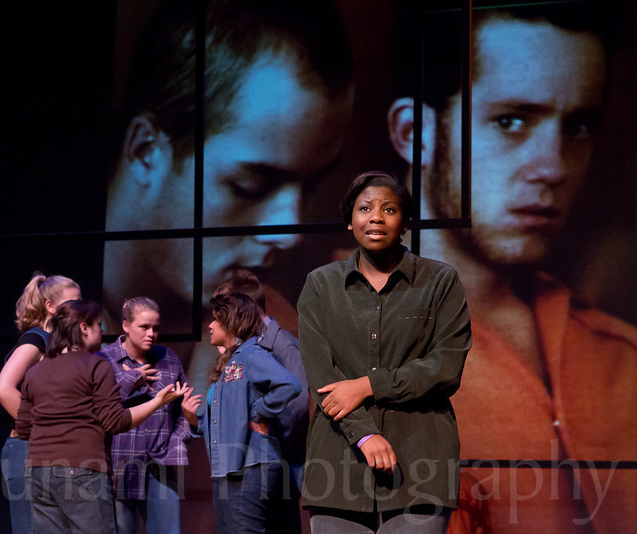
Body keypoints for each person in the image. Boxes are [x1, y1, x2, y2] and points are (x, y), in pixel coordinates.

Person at [386, 2, 637, 532]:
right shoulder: (319, 348)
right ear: (415, 134)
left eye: (579, 127)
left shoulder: (624, 359)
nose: (552, 166)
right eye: (512, 120)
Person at [102, 0, 354, 337]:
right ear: (145, 150)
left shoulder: (287, 338)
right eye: (250, 185)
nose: (290, 231)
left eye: (311, 185)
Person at [297, 172, 472, 533]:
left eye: (388, 209)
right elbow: (321, 376)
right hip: (338, 463)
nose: (376, 217)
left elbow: (445, 367)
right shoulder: (321, 285)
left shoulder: (440, 281)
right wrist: (363, 434)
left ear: (404, 222)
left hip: (420, 463)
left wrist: (368, 385)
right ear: (350, 221)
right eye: (365, 209)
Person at [16, 299, 190, 534]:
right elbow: (114, 421)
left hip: (38, 472)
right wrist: (157, 401)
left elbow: (24, 428)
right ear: (84, 329)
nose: (103, 331)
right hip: (82, 469)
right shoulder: (96, 365)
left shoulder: (35, 371)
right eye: (99, 325)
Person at [181, 293, 302, 534]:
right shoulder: (229, 362)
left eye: (216, 319)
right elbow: (227, 420)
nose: (210, 324)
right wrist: (193, 418)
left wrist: (258, 411)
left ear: (232, 321)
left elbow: (290, 384)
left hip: (251, 464)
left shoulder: (250, 354)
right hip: (227, 467)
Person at [212, 269, 308, 531]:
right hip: (251, 461)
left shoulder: (281, 346)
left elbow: (295, 404)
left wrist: (260, 423)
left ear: (243, 308)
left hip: (276, 461)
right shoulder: (239, 349)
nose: (215, 321)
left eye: (224, 311)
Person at [0, 272, 81, 534]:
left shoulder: (58, 344)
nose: (77, 309)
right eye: (71, 303)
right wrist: (42, 429)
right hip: (26, 450)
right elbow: (3, 388)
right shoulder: (36, 339)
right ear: (50, 307)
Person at [97, 297, 191, 534]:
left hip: (160, 462)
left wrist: (176, 439)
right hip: (121, 464)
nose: (151, 334)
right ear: (126, 326)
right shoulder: (105, 359)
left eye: (156, 328)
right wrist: (131, 379)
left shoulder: (168, 358)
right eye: (144, 327)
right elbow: (99, 409)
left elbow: (184, 406)